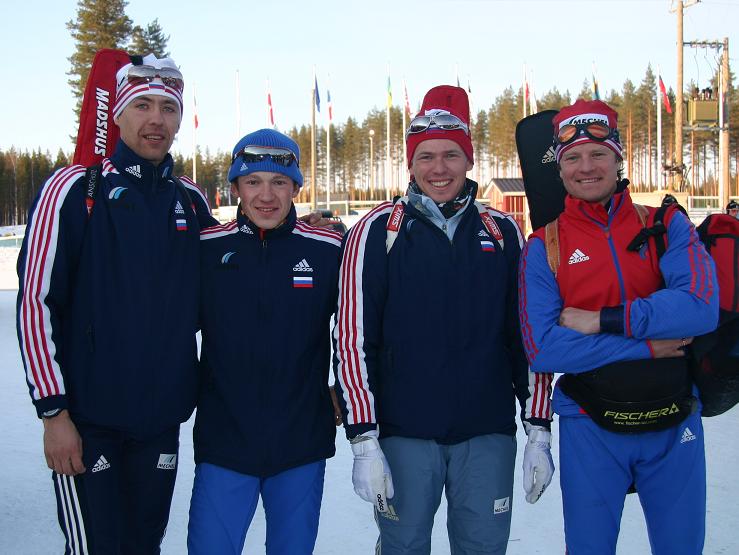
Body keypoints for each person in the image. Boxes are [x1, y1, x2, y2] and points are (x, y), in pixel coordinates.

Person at [333, 85, 553, 554]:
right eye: (426, 156)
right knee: (404, 544)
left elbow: (526, 336)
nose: (439, 168)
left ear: (469, 160)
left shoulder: (502, 230)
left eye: (451, 155)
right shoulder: (378, 231)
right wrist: (364, 439)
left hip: (487, 431)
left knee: (483, 546)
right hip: (404, 432)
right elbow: (353, 339)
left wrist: (538, 426)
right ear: (410, 164)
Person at [16, 54, 216, 553]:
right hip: (87, 420)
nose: (156, 120)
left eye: (168, 109)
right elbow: (36, 304)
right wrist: (54, 413)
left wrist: (299, 235)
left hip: (160, 419)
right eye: (143, 106)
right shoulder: (75, 189)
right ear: (118, 114)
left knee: (143, 544)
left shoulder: (189, 200)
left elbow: (232, 276)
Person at [518, 99, 719, 554]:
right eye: (572, 158)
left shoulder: (665, 223)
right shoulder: (545, 245)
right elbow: (545, 349)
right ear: (560, 167)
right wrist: (647, 346)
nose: (585, 167)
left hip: (673, 422)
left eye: (598, 154)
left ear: (618, 158)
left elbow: (700, 308)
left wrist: (603, 320)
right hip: (591, 425)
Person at [187, 129, 342, 554]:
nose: (266, 195)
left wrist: (344, 391)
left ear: (296, 187)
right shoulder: (205, 250)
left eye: (279, 182)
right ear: (235, 186)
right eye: (253, 181)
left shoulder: (330, 249)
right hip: (225, 442)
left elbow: (359, 328)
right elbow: (166, 326)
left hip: (300, 442)